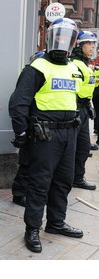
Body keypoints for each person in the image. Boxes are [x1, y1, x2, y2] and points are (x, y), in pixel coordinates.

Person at [9, 18, 84, 254]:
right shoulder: (37, 68)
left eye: (67, 38)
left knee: (63, 181)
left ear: (72, 43)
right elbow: (18, 104)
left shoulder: (73, 68)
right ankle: (32, 228)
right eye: (58, 37)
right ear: (50, 39)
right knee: (40, 183)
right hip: (46, 134)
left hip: (69, 132)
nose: (62, 43)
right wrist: (22, 132)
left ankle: (55, 222)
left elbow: (75, 98)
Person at [11, 50, 46, 207]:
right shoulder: (31, 75)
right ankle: (19, 194)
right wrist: (22, 131)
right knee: (26, 162)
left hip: (39, 126)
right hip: (31, 126)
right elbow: (19, 105)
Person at [69, 31, 97, 191]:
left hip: (84, 108)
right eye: (89, 43)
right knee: (72, 147)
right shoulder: (74, 64)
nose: (92, 47)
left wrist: (89, 106)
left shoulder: (85, 63)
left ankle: (77, 177)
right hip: (75, 109)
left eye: (93, 43)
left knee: (84, 146)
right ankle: (69, 177)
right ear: (79, 45)